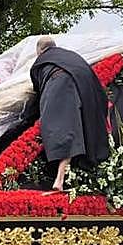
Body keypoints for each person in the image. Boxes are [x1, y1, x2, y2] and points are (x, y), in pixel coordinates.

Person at [26, 36, 111, 191]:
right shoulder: (70, 56)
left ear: (39, 52)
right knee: (75, 127)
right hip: (86, 89)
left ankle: (59, 178)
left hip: (60, 86)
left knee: (64, 131)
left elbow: (37, 92)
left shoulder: (40, 62)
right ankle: (64, 176)